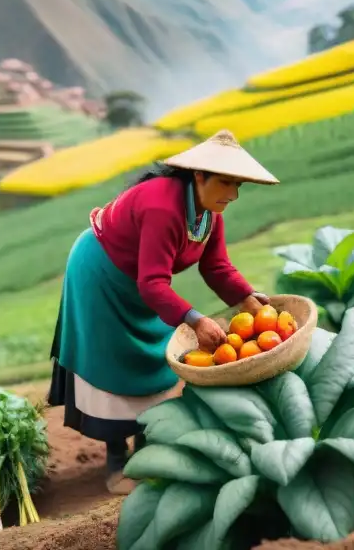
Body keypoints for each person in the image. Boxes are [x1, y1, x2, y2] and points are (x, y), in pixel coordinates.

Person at [48, 129, 279, 495]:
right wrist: (195, 319)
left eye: (238, 186)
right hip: (100, 275)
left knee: (152, 358)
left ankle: (147, 449)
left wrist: (248, 298)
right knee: (115, 361)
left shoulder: (208, 214)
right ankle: (116, 461)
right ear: (198, 176)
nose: (232, 195)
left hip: (139, 281)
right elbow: (154, 284)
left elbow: (216, 268)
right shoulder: (162, 207)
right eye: (226, 183)